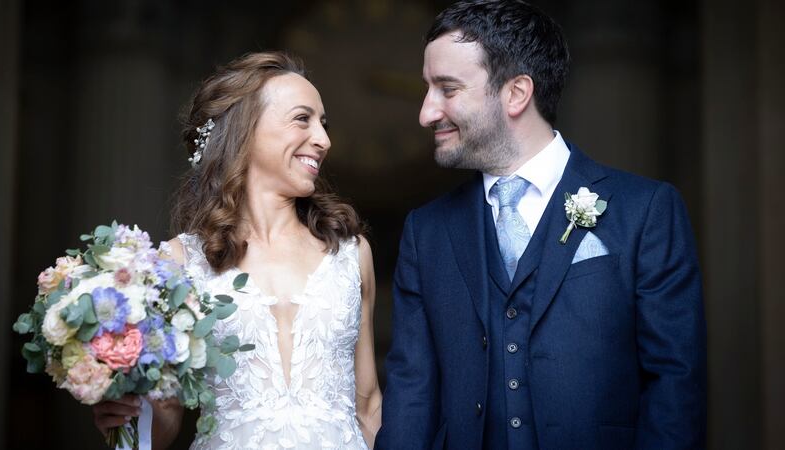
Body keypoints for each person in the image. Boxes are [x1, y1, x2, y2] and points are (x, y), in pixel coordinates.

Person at [376, 1, 706, 449]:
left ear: (516, 93)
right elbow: (412, 392)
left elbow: (675, 382)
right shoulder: (426, 232)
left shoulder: (645, 210)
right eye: (427, 89)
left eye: (447, 89)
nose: (426, 112)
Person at [92, 51, 382, 449]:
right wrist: (130, 412)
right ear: (247, 130)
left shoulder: (350, 254)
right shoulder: (180, 262)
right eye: (303, 119)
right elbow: (167, 420)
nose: (324, 140)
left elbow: (368, 407)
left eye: (323, 123)